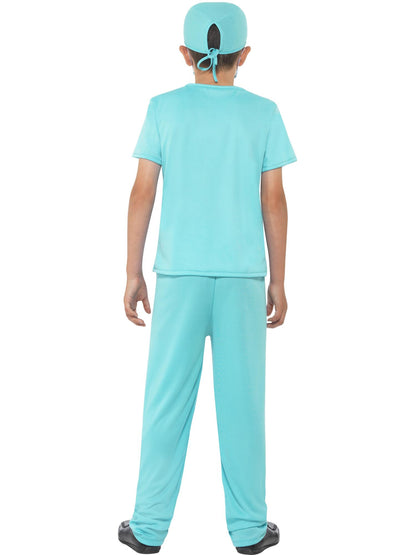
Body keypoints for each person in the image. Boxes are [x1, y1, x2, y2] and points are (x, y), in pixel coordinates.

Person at [118, 3, 297, 554]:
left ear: (184, 54)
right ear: (245, 55)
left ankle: (148, 528)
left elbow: (142, 191)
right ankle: (249, 530)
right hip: (243, 277)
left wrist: (132, 270)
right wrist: (279, 280)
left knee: (165, 401)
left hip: (178, 275)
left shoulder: (163, 109)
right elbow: (273, 200)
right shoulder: (264, 113)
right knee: (243, 404)